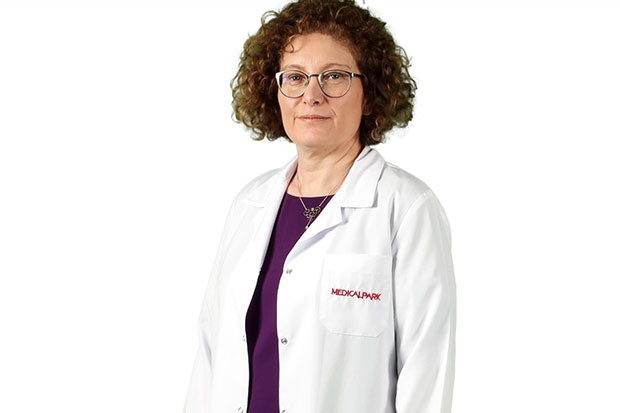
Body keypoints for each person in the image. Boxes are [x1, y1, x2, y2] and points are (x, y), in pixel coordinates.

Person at [184, 0, 456, 412]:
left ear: (370, 95)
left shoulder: (406, 208)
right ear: (275, 92)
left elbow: (426, 370)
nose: (312, 95)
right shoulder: (249, 205)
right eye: (295, 78)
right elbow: (210, 353)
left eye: (334, 77)